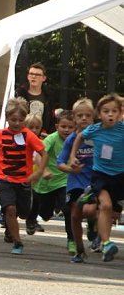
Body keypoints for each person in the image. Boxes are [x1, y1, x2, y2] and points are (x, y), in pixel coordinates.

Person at [0, 97, 48, 256]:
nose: (17, 123)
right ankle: (18, 241)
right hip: (5, 178)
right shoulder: (1, 134)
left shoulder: (28, 136)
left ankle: (10, 229)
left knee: (23, 213)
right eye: (13, 120)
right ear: (7, 118)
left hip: (24, 181)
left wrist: (39, 172)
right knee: (10, 208)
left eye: (20, 120)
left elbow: (43, 153)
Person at [67, 93, 124, 262]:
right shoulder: (94, 130)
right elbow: (79, 137)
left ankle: (99, 234)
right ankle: (105, 243)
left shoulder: (122, 130)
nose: (110, 115)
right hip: (101, 176)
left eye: (114, 111)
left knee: (106, 209)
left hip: (120, 176)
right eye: (106, 111)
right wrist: (72, 157)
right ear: (100, 115)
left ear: (120, 114)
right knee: (104, 206)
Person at [58, 98, 99, 262]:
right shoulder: (70, 139)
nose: (84, 118)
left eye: (87, 115)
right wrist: (70, 168)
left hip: (95, 180)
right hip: (76, 181)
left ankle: (93, 223)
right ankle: (80, 250)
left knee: (89, 211)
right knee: (75, 214)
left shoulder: (99, 136)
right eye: (80, 115)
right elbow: (60, 162)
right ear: (74, 118)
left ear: (93, 117)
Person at [27, 110, 73, 235]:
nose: (66, 130)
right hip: (47, 181)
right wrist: (45, 171)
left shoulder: (75, 140)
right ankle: (31, 219)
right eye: (63, 127)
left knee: (67, 207)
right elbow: (37, 155)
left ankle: (71, 237)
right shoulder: (52, 139)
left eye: (70, 127)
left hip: (64, 181)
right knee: (45, 213)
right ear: (57, 127)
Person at [15, 62, 57, 134]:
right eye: (31, 74)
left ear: (44, 78)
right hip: (22, 132)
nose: (33, 77)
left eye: (37, 75)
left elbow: (51, 117)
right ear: (28, 76)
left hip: (42, 133)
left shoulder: (49, 95)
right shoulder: (20, 93)